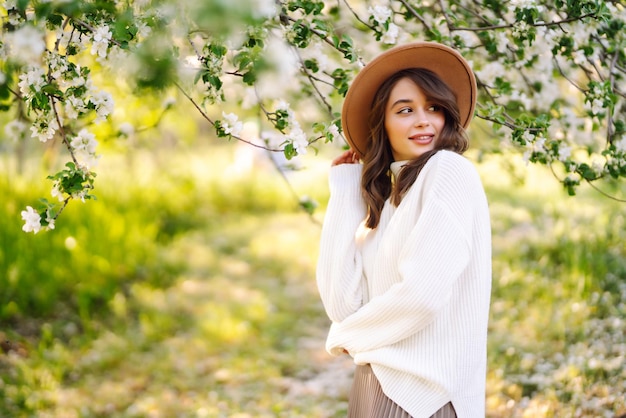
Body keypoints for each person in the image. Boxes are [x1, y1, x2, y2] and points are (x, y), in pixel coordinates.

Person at [316, 42, 492, 418]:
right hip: (374, 382)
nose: (424, 120)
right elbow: (342, 305)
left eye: (433, 108)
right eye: (406, 110)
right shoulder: (392, 199)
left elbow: (422, 294)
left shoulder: (447, 170)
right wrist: (346, 191)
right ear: (384, 123)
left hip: (426, 395)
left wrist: (348, 337)